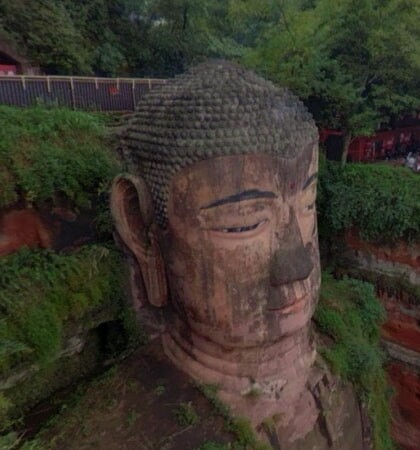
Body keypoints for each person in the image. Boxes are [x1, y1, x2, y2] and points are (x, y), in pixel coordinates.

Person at [112, 61, 364, 448]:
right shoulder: (128, 432)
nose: (298, 266)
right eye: (243, 224)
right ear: (141, 228)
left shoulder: (346, 361)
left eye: (308, 204)